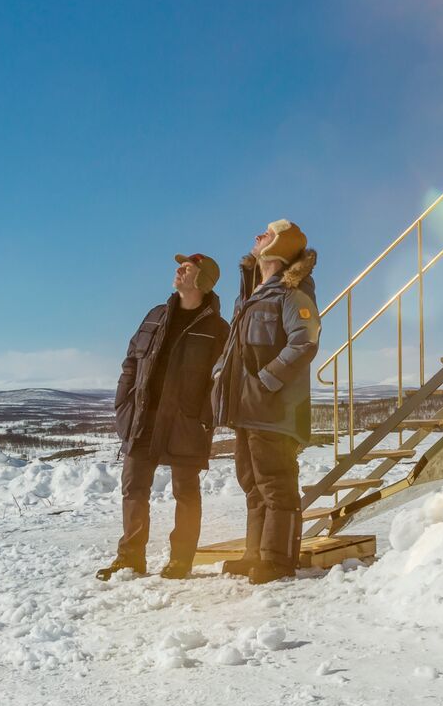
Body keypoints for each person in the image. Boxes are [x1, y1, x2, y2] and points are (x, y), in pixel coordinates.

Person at [96, 251, 226, 581]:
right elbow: (131, 362)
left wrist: (204, 417)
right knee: (133, 489)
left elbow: (221, 379)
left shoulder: (217, 329)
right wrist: (123, 403)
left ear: (202, 280)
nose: (179, 271)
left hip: (186, 422)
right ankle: (130, 559)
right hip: (144, 418)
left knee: (186, 492)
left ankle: (181, 560)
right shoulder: (155, 315)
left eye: (187, 268)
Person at [210, 219, 320, 584]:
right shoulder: (253, 297)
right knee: (252, 484)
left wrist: (265, 382)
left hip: (274, 409)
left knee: (276, 484)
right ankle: (255, 554)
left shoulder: (292, 294)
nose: (258, 236)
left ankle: (278, 559)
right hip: (246, 409)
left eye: (268, 234)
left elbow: (304, 342)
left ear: (281, 248)